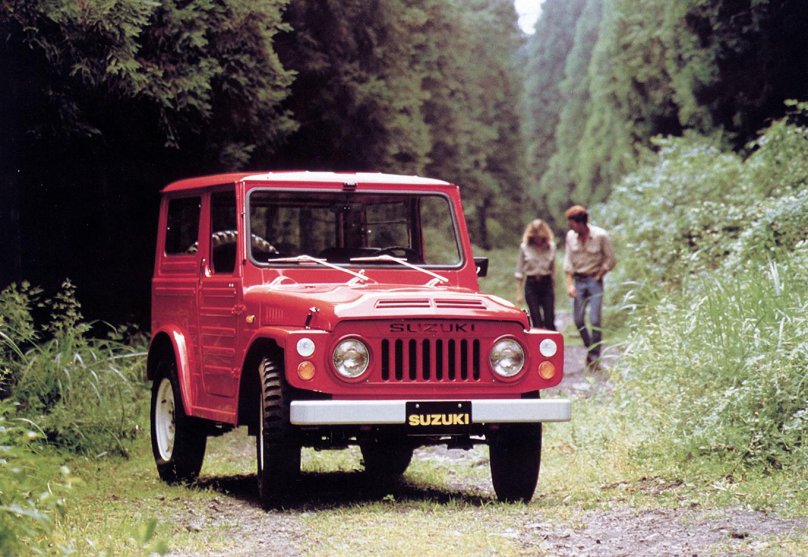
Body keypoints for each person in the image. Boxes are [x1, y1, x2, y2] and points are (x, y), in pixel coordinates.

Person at [563, 205, 616, 370]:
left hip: (594, 280)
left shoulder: (600, 236)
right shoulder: (570, 237)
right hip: (578, 280)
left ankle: (594, 358)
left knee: (595, 320)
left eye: (572, 223)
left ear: (580, 223)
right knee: (578, 320)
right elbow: (568, 261)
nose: (571, 227)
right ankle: (590, 347)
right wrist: (570, 284)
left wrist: (600, 274)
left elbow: (611, 258)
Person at [515, 219, 556, 330]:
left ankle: (552, 344)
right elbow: (519, 271)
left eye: (541, 237)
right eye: (535, 237)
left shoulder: (551, 247)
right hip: (531, 284)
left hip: (546, 283)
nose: (538, 240)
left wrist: (553, 286)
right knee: (536, 318)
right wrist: (519, 293)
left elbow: (553, 269)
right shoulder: (525, 247)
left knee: (549, 319)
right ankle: (538, 345)